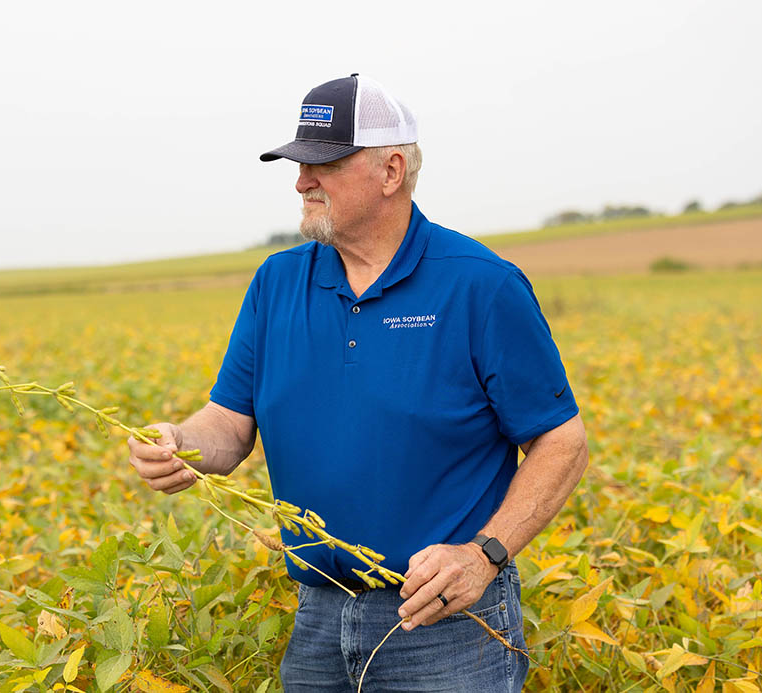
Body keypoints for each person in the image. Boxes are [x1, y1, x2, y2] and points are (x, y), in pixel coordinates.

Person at [126, 74, 589, 692]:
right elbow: (230, 425)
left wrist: (485, 554)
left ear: (391, 170)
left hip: (446, 623)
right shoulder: (276, 283)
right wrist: (178, 441)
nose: (300, 182)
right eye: (297, 165)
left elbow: (563, 442)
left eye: (323, 165)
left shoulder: (480, 285)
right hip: (317, 618)